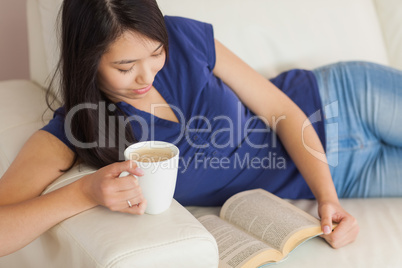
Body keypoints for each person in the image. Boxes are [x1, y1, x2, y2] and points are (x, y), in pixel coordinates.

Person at [1, 0, 401, 257]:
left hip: (342, 100)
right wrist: (84, 192)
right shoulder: (77, 128)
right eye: (124, 67)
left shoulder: (183, 35)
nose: (147, 76)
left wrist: (325, 196)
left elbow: (280, 108)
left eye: (156, 54)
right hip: (352, 174)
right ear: (86, 61)